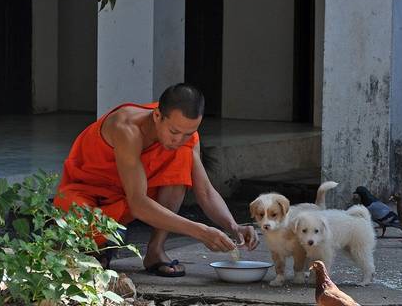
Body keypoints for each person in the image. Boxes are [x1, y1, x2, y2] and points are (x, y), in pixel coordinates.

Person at [54, 83, 258, 277]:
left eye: (188, 133)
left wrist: (234, 227)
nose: (179, 139)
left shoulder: (185, 137)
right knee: (100, 234)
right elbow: (138, 204)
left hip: (128, 196)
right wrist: (201, 232)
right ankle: (100, 246)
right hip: (87, 195)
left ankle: (155, 250)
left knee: (181, 157)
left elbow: (205, 191)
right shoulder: (126, 129)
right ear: (157, 115)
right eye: (174, 132)